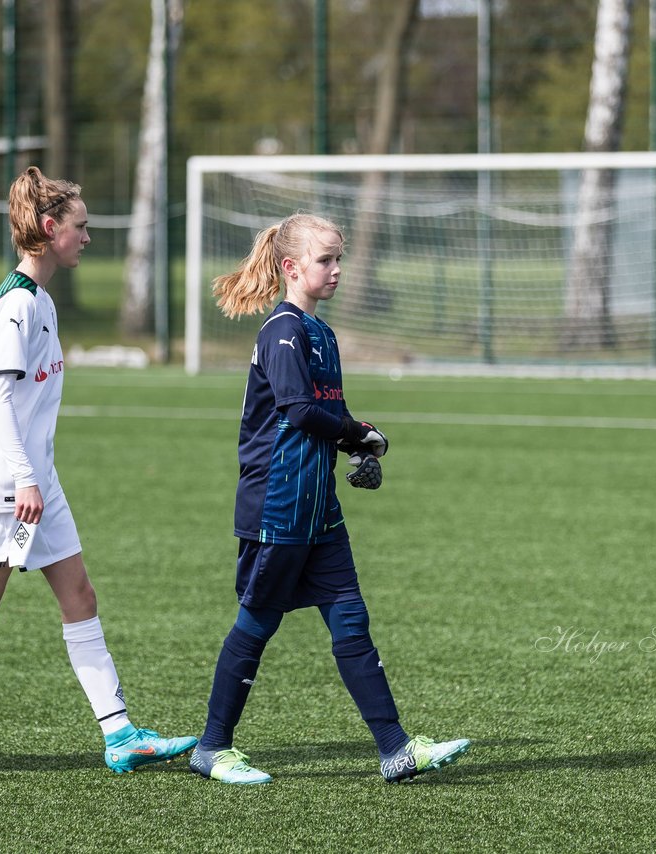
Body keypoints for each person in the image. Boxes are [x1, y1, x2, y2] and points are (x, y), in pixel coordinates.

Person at [0, 167, 197, 778]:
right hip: (18, 487)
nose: (88, 236)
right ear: (50, 227)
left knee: (79, 595)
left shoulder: (35, 300)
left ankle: (120, 734)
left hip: (29, 480)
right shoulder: (15, 308)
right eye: (80, 226)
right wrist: (9, 475)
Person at [189, 213, 470, 785]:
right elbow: (297, 411)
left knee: (351, 619)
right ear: (292, 268)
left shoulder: (322, 333)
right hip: (279, 505)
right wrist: (355, 433)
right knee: (257, 623)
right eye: (326, 260)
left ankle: (394, 748)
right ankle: (211, 747)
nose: (337, 269)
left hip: (317, 508)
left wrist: (359, 442)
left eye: (339, 258)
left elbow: (325, 418)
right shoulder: (282, 331)